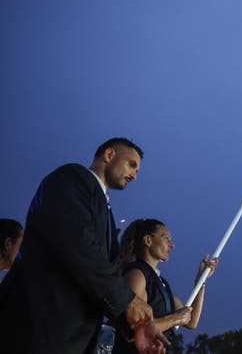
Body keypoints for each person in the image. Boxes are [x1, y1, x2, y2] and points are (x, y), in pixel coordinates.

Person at [0, 138, 168, 353]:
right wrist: (128, 300)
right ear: (109, 155)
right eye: (131, 165)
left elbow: (101, 279)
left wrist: (135, 326)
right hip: (38, 328)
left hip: (73, 339)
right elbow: (81, 246)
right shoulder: (72, 178)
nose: (135, 175)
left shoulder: (107, 213)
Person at [112, 219, 218, 354]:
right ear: (148, 240)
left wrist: (201, 280)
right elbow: (132, 330)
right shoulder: (136, 274)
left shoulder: (160, 283)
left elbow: (191, 321)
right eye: (166, 238)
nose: (172, 245)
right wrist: (175, 319)